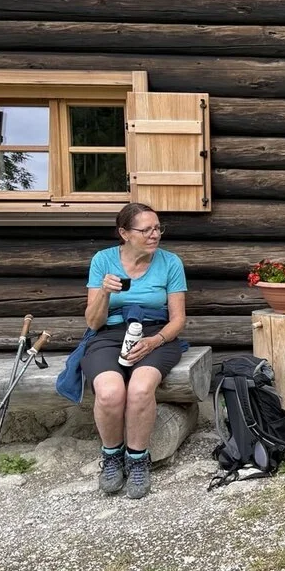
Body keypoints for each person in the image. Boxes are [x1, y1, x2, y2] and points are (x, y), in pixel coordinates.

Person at [81, 203, 187, 499]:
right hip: (110, 334)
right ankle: (112, 457)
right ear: (124, 233)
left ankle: (138, 460)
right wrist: (103, 292)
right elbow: (92, 321)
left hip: (155, 334)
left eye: (158, 228)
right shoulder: (103, 261)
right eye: (147, 230)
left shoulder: (170, 263)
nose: (155, 235)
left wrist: (155, 341)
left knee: (140, 389)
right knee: (109, 392)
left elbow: (178, 319)